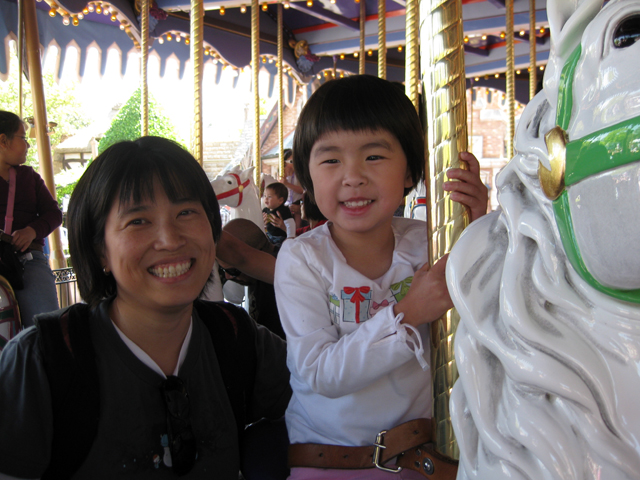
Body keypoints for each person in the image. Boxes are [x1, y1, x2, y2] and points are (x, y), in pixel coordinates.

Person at [0, 136, 291, 479]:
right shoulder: (42, 361)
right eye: (138, 221)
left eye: (186, 212)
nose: (170, 239)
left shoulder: (237, 338)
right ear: (100, 250)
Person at [274, 75, 488, 479]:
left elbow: (490, 320)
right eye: (331, 160)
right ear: (307, 175)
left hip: (425, 453)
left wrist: (476, 230)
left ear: (409, 172)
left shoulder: (429, 244)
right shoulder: (302, 259)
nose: (352, 176)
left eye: (374, 157)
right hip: (331, 458)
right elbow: (319, 372)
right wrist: (407, 314)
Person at [0, 111, 62, 328]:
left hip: (28, 259)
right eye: (23, 138)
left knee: (46, 323)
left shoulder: (29, 177)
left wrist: (32, 231)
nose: (27, 145)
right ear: (3, 140)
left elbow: (54, 214)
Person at [219, 218, 284, 339]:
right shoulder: (260, 276)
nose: (228, 276)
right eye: (225, 271)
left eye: (234, 271)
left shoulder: (280, 275)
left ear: (255, 255)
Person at [262, 182, 294, 248]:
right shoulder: (265, 210)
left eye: (269, 196)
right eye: (265, 196)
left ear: (280, 200)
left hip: (280, 238)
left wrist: (290, 238)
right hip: (269, 236)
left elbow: (291, 224)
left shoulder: (283, 210)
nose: (266, 198)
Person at [279, 150, 304, 229]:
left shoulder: (299, 174)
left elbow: (301, 190)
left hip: (297, 202)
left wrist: (287, 183)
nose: (295, 163)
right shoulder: (281, 174)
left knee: (298, 224)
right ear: (285, 162)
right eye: (292, 161)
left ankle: (297, 234)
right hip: (286, 204)